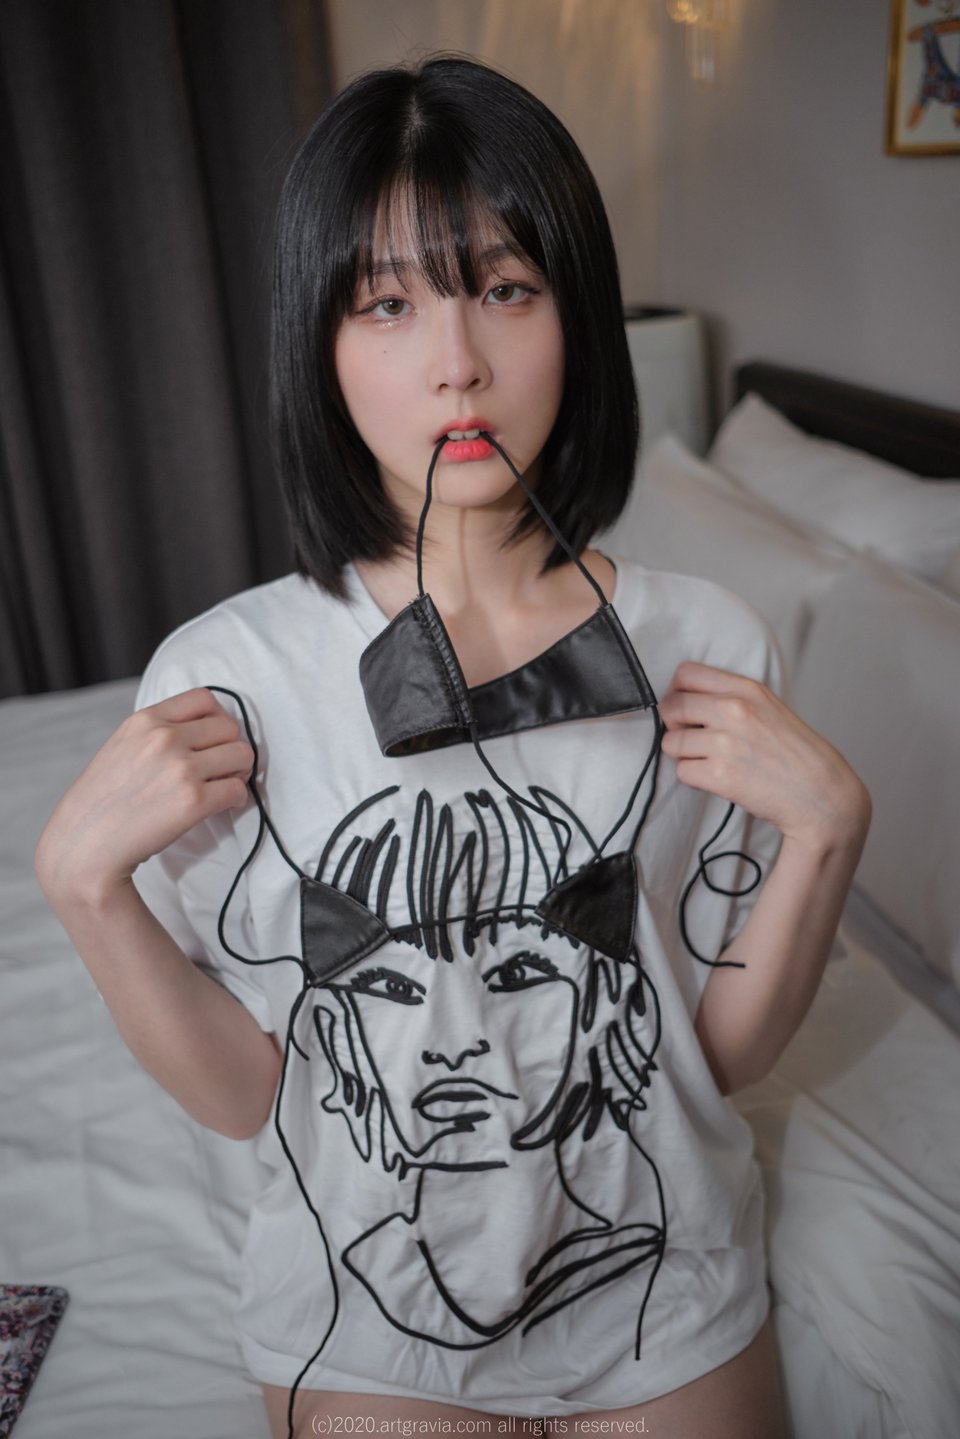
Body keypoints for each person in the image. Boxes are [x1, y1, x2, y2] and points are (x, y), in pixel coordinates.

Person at [34, 55, 870, 1439]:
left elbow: (709, 1057)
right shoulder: (224, 679)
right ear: (319, 344)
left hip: (669, 1295)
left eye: (506, 288)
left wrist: (830, 832)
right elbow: (250, 1097)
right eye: (388, 304)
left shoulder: (708, 644)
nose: (458, 361)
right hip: (359, 1328)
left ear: (576, 316)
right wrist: (82, 889)